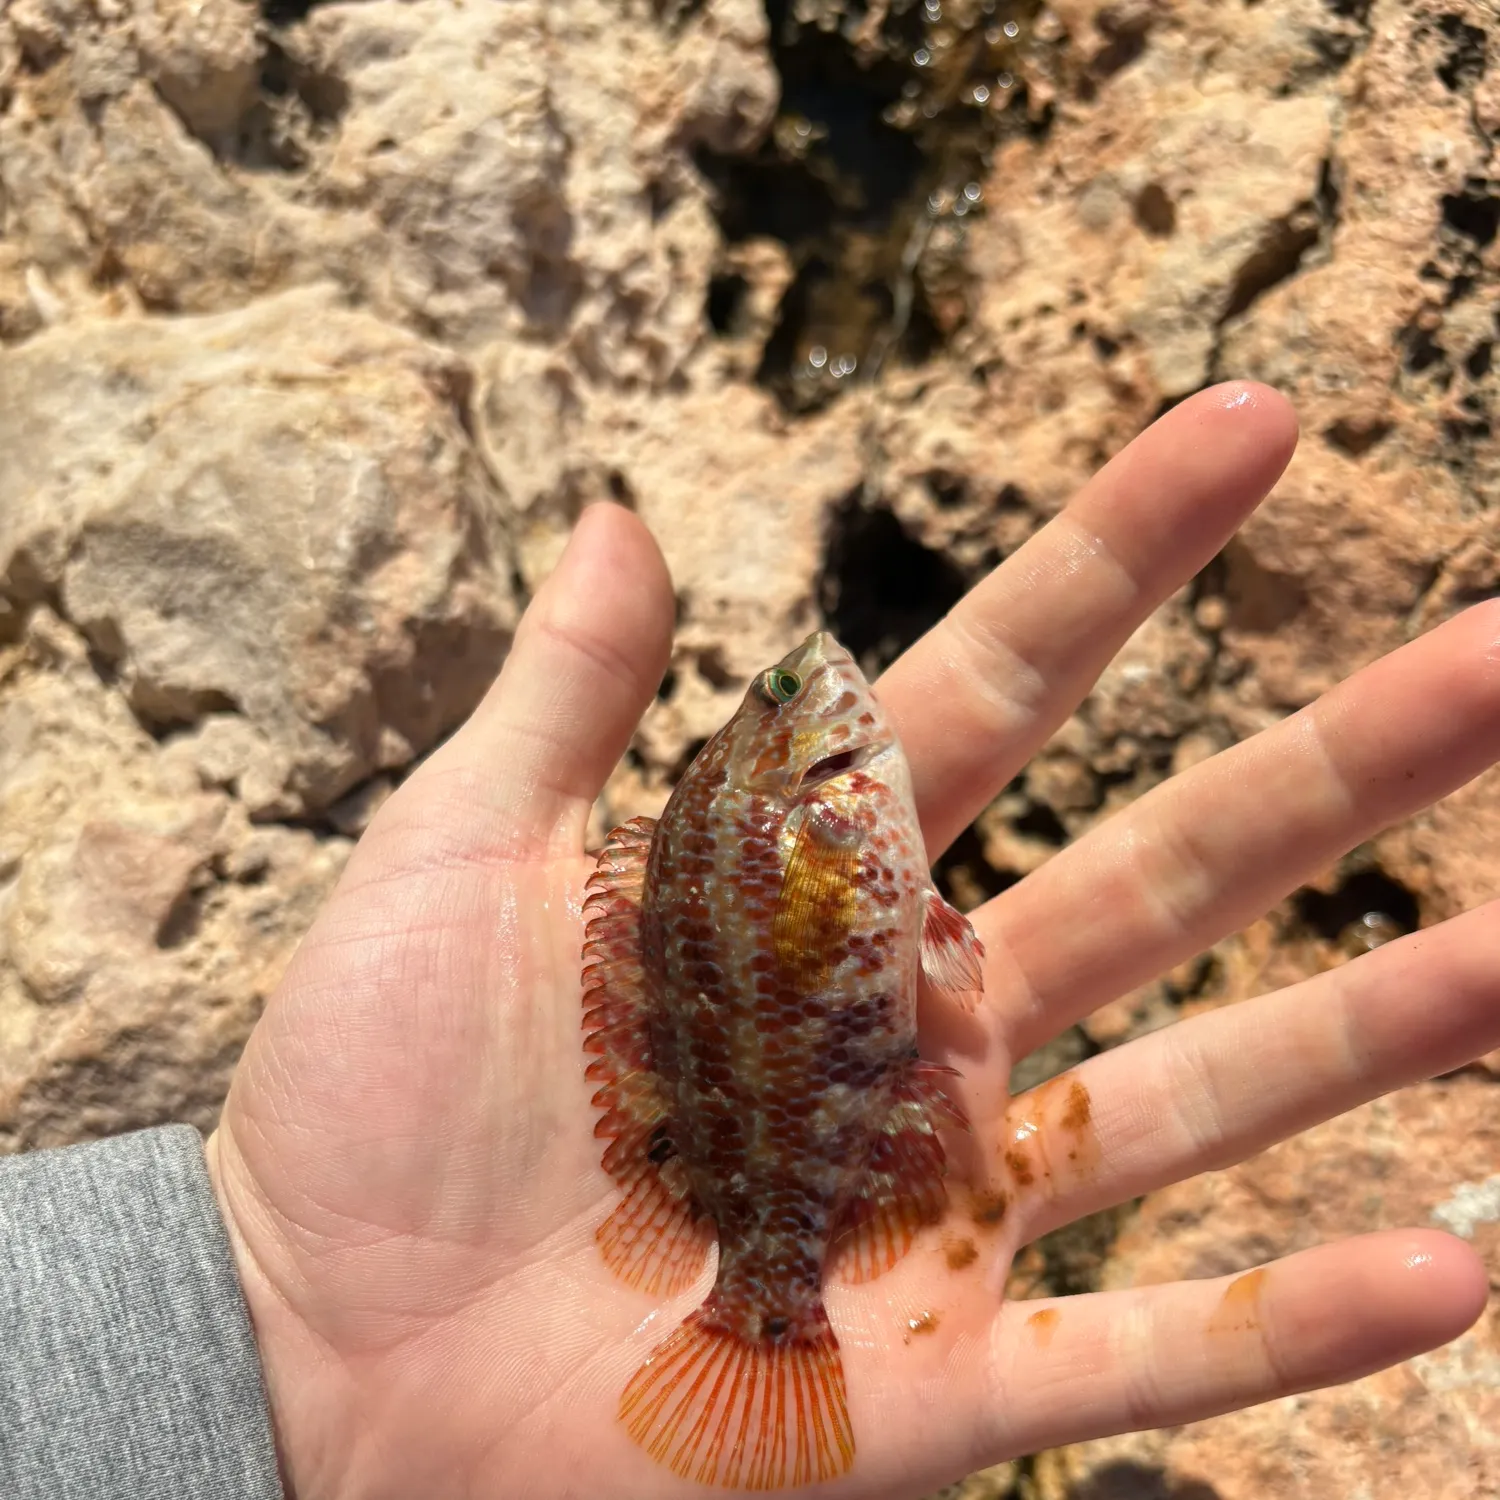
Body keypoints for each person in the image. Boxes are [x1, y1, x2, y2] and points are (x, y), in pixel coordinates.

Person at [1, 382, 1495, 1500]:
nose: (815, 687)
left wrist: (239, 1339)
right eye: (787, 696)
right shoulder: (818, 811)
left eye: (776, 695)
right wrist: (262, 1310)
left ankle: (770, 1303)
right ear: (810, 769)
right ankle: (770, 1313)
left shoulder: (806, 812)